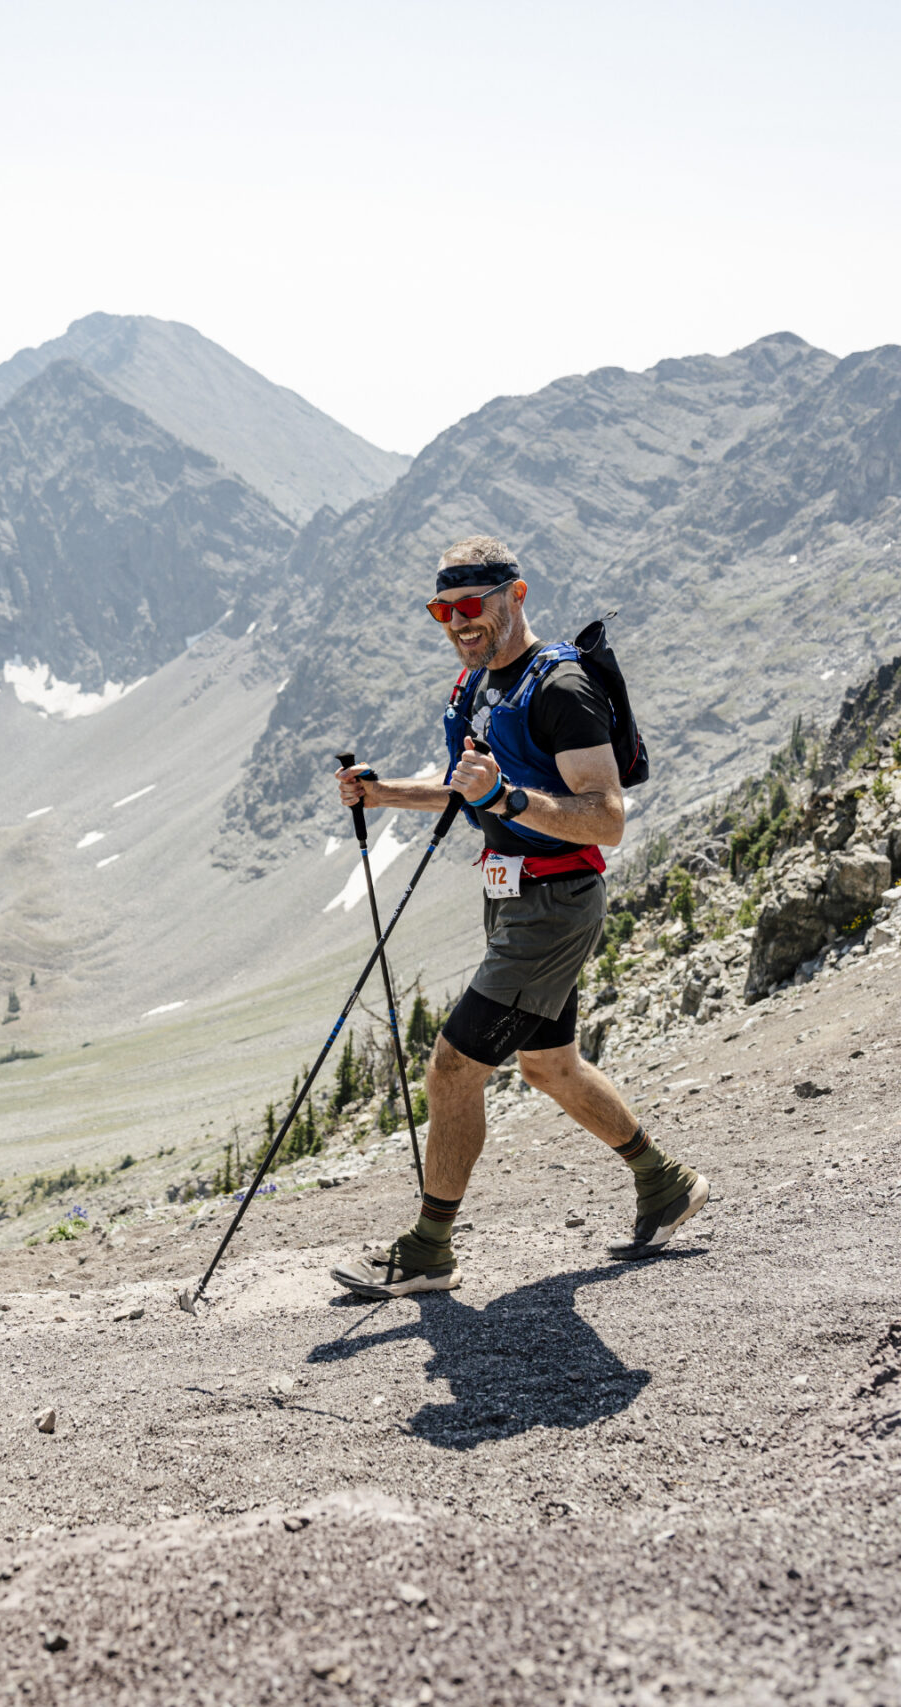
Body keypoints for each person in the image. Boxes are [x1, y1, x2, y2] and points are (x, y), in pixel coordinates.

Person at [329, 537, 706, 1299]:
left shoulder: (560, 686)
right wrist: (385, 794)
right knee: (549, 1065)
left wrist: (509, 800)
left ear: (516, 594)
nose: (458, 622)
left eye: (472, 605)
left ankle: (430, 1249)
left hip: (555, 903)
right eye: (443, 609)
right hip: (510, 898)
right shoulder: (474, 688)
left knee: (453, 1066)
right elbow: (466, 787)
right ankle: (665, 1185)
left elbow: (606, 817)